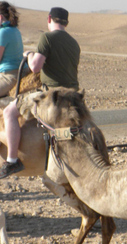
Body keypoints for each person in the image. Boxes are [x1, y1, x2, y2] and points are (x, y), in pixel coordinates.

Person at [0, 7, 80, 179]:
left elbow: (35, 66)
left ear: (49, 18)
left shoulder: (47, 37)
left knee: (9, 112)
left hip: (52, 94)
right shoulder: (74, 43)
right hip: (72, 95)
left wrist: (29, 54)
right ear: (66, 23)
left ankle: (12, 160)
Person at [0, 2, 24, 97]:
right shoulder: (14, 30)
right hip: (18, 71)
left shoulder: (3, 32)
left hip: (9, 76)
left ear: (0, 17)